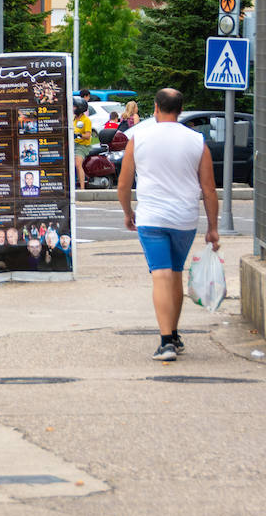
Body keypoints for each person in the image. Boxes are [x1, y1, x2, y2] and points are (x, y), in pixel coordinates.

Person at [116, 87, 220, 362]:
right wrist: (213, 228)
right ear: (181, 109)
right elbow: (209, 189)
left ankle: (166, 343)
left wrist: (128, 212)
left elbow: (124, 184)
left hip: (151, 218)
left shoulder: (139, 138)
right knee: (174, 273)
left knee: (161, 275)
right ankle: (173, 333)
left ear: (156, 107)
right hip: (184, 219)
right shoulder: (197, 140)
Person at [72, 98, 93, 189]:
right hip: (72, 144)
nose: (73, 108)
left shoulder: (86, 120)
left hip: (82, 145)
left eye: (74, 107)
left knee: (77, 163)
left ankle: (82, 188)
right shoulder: (73, 119)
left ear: (80, 108)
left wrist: (79, 135)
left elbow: (88, 135)